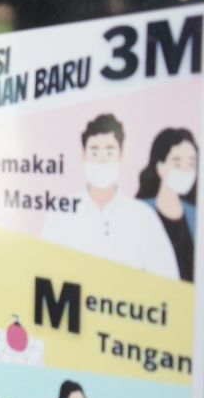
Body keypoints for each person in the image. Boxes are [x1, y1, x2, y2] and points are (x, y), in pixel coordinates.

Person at [42, 114, 178, 279]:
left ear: (121, 156)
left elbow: (167, 278)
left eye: (109, 151)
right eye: (94, 151)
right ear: (83, 156)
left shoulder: (143, 216)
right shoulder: (61, 211)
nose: (102, 160)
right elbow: (45, 270)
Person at [136, 129, 197, 282]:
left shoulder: (195, 216)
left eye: (191, 164)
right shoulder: (140, 212)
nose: (185, 170)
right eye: (177, 163)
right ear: (160, 167)